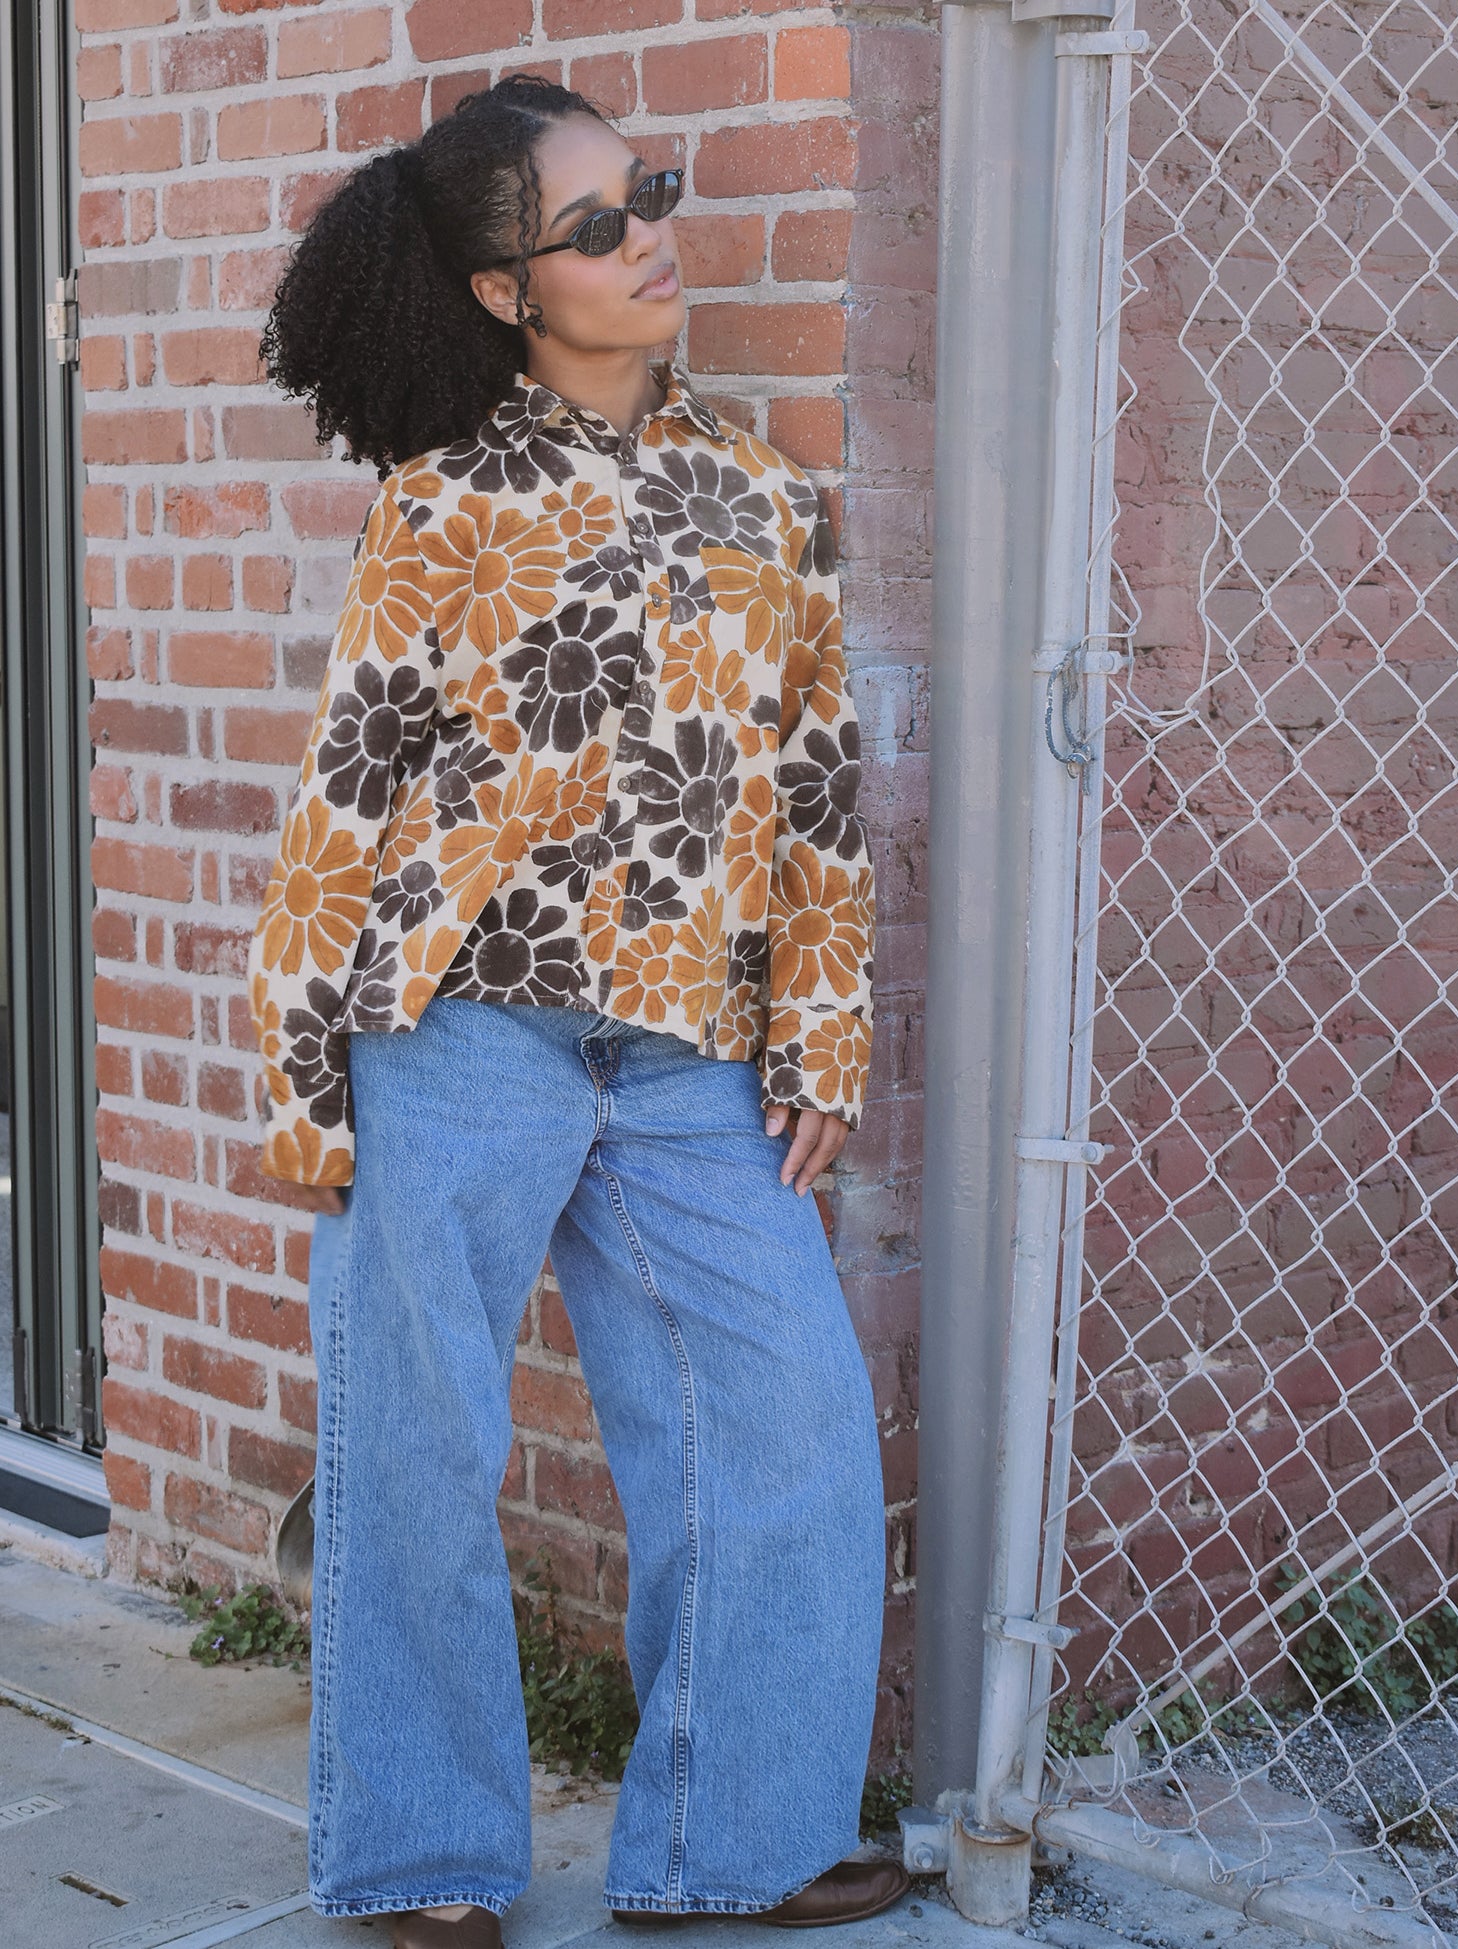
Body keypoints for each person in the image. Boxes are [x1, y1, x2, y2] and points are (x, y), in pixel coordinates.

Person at [247, 72, 904, 1949]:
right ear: (501, 293)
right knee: (420, 1445)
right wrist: (308, 1066)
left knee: (778, 1422)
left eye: (653, 196)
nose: (651, 239)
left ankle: (732, 1843)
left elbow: (814, 782)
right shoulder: (444, 506)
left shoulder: (767, 495)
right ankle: (425, 1862)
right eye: (597, 225)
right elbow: (352, 789)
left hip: (695, 1051)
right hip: (459, 1029)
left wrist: (825, 1031)